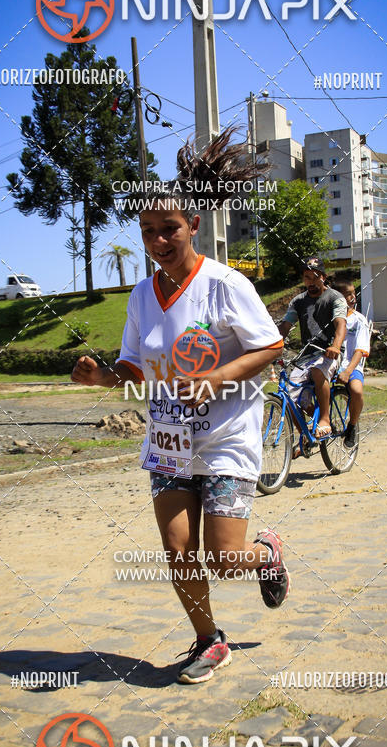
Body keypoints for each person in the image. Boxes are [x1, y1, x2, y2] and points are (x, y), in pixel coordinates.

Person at [71, 128, 289, 685]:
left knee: (223, 559)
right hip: (169, 439)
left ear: (192, 224)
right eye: (147, 231)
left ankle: (268, 553)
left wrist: (218, 378)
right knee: (177, 549)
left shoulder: (225, 284)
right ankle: (207, 640)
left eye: (169, 228)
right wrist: (104, 377)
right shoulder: (141, 296)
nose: (159, 240)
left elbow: (270, 344)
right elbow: (135, 367)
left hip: (226, 436)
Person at [277, 258, 347, 439]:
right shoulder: (298, 301)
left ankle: (324, 418)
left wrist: (336, 346)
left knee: (318, 371)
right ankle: (306, 436)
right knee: (290, 396)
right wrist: (271, 343)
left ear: (323, 277)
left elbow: (341, 324)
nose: (310, 282)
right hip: (306, 356)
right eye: (306, 277)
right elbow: (285, 326)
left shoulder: (335, 298)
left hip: (330, 353)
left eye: (314, 277)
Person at [332, 279, 370, 448]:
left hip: (351, 365)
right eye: (348, 295)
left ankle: (352, 426)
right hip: (331, 365)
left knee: (356, 391)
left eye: (353, 293)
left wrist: (348, 371)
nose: (353, 297)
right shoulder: (330, 319)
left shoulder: (359, 320)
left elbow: (360, 350)